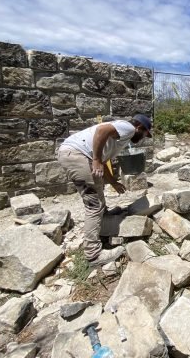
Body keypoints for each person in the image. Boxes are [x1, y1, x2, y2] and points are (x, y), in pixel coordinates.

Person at [57, 114, 152, 266]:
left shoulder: (120, 137)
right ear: (139, 128)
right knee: (94, 205)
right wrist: (95, 160)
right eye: (145, 135)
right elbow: (102, 130)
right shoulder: (128, 128)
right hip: (78, 155)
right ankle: (93, 255)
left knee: (97, 190)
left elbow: (104, 159)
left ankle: (104, 217)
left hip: (72, 153)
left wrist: (113, 182)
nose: (143, 139)